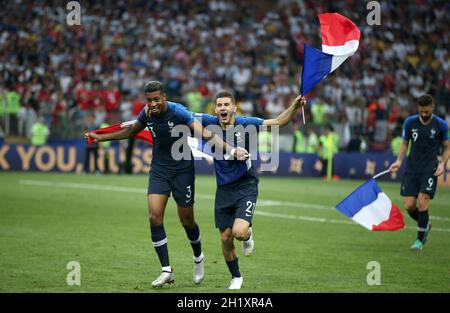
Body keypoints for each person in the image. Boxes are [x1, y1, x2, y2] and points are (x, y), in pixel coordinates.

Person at [84, 81, 249, 288]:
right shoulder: (146, 113)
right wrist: (100, 137)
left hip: (183, 171)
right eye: (149, 100)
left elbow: (205, 134)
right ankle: (166, 270)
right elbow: (131, 131)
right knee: (154, 216)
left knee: (187, 221)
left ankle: (198, 257)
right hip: (159, 170)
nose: (152, 104)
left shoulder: (178, 112)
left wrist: (232, 151)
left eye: (155, 99)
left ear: (164, 97)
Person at [197, 90, 305, 289]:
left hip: (245, 184)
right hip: (223, 189)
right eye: (219, 105)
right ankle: (236, 276)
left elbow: (278, 123)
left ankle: (247, 235)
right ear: (215, 109)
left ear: (234, 108)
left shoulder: (247, 123)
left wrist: (295, 107)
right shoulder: (208, 121)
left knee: (238, 232)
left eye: (226, 105)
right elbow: (182, 117)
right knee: (224, 237)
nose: (222, 108)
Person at [389, 94, 449, 251]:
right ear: (418, 109)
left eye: (427, 112)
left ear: (432, 108)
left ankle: (420, 240)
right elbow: (404, 143)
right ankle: (425, 224)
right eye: (421, 111)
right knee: (409, 205)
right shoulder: (410, 122)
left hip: (430, 169)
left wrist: (443, 163)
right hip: (412, 168)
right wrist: (398, 161)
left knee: (423, 201)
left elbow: (448, 147)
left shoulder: (441, 125)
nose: (424, 115)